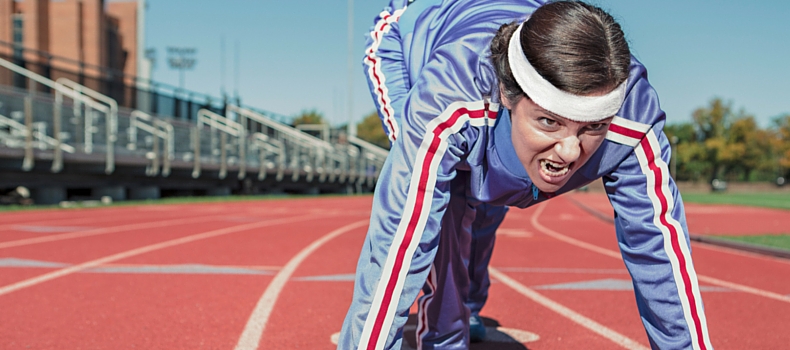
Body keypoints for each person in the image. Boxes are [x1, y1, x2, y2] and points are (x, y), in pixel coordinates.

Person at [340, 1, 713, 349]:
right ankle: (443, 332)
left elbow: (659, 248)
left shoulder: (634, 118)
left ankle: (467, 302)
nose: (569, 151)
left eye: (592, 126)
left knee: (492, 198)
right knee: (446, 195)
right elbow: (400, 241)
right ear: (507, 93)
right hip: (412, 38)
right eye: (549, 121)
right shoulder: (449, 98)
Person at [361, 0, 504, 342]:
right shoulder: (406, 18)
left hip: (494, 98)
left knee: (487, 211)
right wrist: (414, 135)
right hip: (426, 105)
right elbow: (385, 43)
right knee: (435, 207)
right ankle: (443, 332)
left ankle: (468, 301)